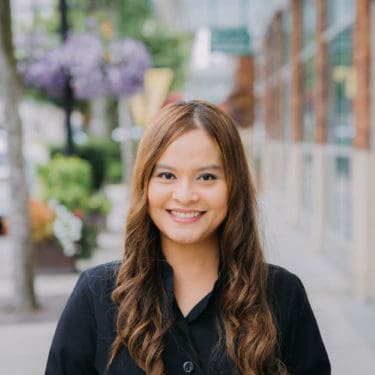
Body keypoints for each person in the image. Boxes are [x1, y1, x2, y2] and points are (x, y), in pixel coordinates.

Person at [46, 100, 330, 375]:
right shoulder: (96, 295)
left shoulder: (282, 294)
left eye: (206, 177)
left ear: (234, 187)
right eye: (167, 175)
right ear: (145, 184)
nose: (184, 195)